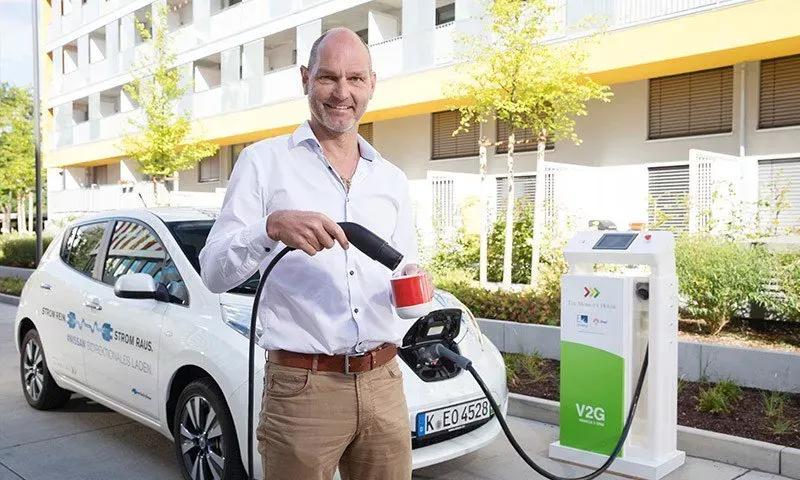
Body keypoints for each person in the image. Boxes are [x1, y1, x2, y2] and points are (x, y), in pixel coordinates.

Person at [199, 27, 430, 480]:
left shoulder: (391, 179)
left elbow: (402, 276)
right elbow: (213, 271)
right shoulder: (263, 162)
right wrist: (269, 228)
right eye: (328, 77)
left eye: (355, 79)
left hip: (384, 381)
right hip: (303, 389)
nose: (342, 93)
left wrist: (416, 291)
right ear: (305, 79)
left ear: (371, 85)